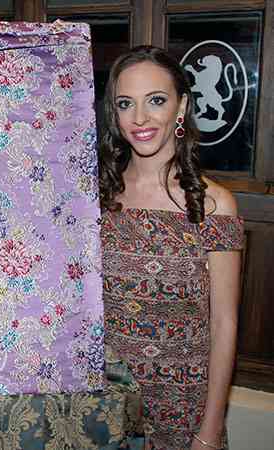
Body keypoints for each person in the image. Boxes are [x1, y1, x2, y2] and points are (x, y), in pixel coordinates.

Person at [98, 46, 243, 450]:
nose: (140, 118)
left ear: (182, 107)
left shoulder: (214, 205)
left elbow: (224, 324)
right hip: (106, 409)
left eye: (156, 100)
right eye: (126, 103)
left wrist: (210, 430)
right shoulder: (94, 200)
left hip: (185, 413)